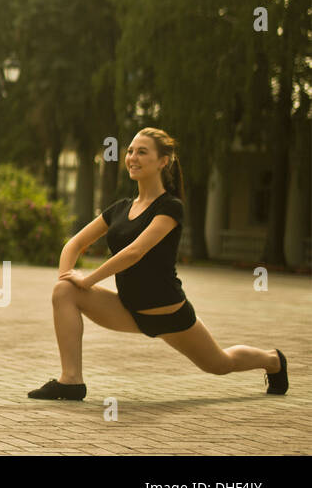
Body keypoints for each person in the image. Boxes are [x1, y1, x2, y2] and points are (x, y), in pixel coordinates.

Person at [28, 127, 288, 400]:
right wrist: (66, 276)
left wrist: (88, 280)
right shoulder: (120, 208)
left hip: (168, 313)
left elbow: (135, 252)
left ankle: (273, 360)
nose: (132, 157)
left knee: (220, 364)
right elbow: (75, 243)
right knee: (64, 292)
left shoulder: (170, 207)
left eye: (142, 152)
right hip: (128, 310)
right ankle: (71, 381)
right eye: (129, 151)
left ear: (163, 161)